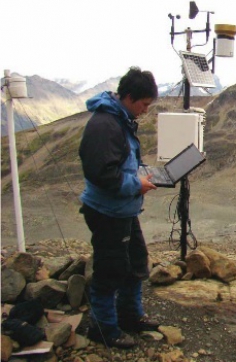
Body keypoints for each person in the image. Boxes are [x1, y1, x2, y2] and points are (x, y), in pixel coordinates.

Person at [79, 67, 159, 348]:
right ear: (129, 97)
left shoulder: (120, 119)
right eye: (144, 105)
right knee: (110, 269)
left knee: (136, 264)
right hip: (107, 212)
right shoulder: (105, 125)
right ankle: (103, 329)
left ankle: (130, 317)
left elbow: (123, 164)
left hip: (123, 209)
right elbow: (102, 175)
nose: (145, 111)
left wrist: (142, 176)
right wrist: (136, 186)